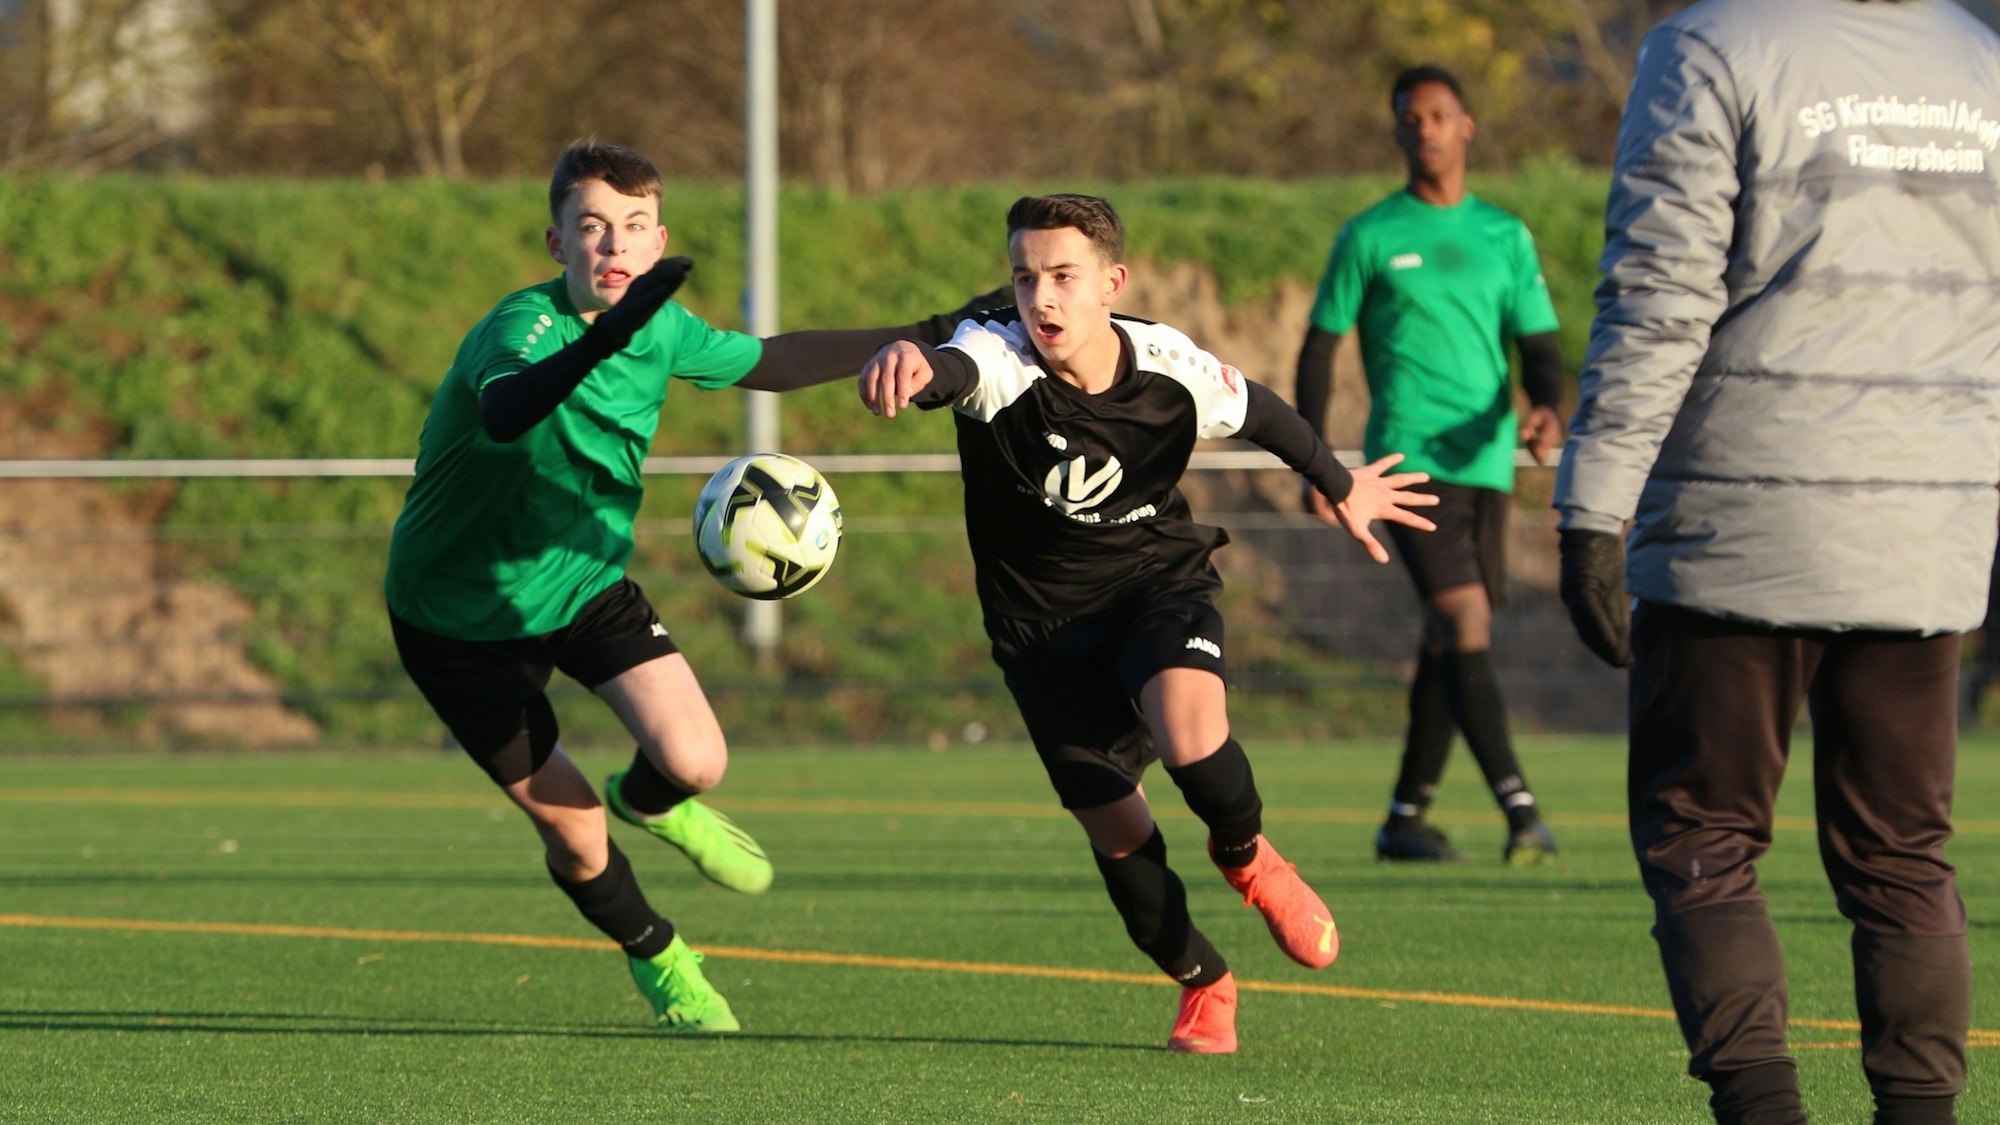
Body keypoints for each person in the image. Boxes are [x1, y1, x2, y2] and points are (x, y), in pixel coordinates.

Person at [383, 140, 984, 1034]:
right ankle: (662, 956)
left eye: (631, 228)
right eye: (590, 227)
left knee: (698, 761)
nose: (612, 246)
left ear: (658, 240)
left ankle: (650, 799)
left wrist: (935, 328)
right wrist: (607, 341)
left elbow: (772, 360)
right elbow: (509, 412)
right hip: (455, 621)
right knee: (576, 835)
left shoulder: (658, 325)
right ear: (556, 243)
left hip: (583, 583)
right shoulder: (521, 330)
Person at [1553, 3, 2000, 1122]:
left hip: (1740, 522)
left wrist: (1590, 508)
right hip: (1926, 526)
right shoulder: (1976, 58)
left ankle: (1761, 1111)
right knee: (1902, 855)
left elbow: (1656, 299)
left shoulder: (1711, 44)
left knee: (1699, 834)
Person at [857, 193, 1439, 1053]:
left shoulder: (1169, 366)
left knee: (1192, 733)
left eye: (1063, 277)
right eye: (1025, 279)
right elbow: (956, 370)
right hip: (1041, 634)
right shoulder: (999, 360)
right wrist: (916, 363)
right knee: (1120, 837)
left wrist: (1339, 482)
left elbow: (1266, 414)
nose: (1041, 299)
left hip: (1152, 582)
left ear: (1111, 283)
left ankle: (1246, 854)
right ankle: (1206, 982)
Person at [1293, 64, 1568, 865]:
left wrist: (1546, 405)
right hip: (1406, 458)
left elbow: (1540, 349)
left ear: (1466, 126)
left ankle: (1405, 817)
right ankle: (1522, 812)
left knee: (1450, 639)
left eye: (1440, 115)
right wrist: (1318, 463)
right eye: (1410, 118)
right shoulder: (1370, 235)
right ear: (1397, 131)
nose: (1426, 129)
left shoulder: (1506, 236)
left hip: (1485, 463)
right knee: (1464, 618)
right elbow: (1319, 347)